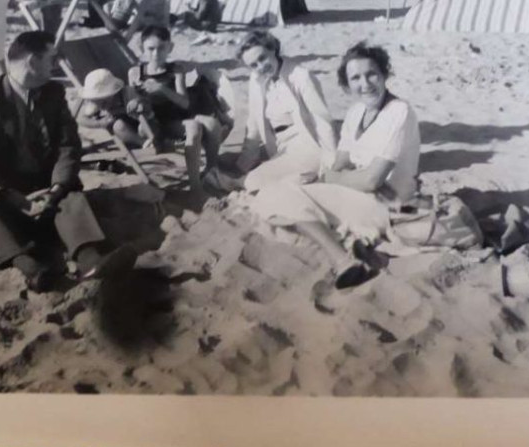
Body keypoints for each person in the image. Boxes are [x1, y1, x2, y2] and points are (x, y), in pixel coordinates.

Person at [0, 31, 138, 292]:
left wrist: (56, 187)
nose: (56, 65)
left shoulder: (53, 92)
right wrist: (9, 196)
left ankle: (90, 260)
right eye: (51, 59)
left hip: (45, 185)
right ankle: (30, 267)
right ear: (32, 62)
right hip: (2, 190)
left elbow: (69, 145)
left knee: (70, 194)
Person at [250, 42, 420, 289]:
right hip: (357, 193)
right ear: (347, 84)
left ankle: (341, 260)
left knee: (280, 197)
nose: (365, 84)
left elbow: (372, 180)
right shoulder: (356, 111)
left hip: (388, 205)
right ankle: (339, 247)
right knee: (281, 187)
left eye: (372, 74)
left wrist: (330, 179)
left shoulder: (399, 111)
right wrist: (322, 178)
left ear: (384, 73)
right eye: (356, 78)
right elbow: (341, 161)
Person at [121, 25, 229, 192]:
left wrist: (162, 89)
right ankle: (195, 186)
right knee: (194, 127)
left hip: (174, 120)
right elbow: (134, 102)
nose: (156, 54)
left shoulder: (176, 70)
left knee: (213, 124)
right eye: (151, 49)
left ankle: (211, 170)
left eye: (161, 48)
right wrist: (138, 98)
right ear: (142, 48)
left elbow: (184, 103)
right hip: (151, 125)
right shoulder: (135, 72)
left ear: (169, 47)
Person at [235, 29, 337, 191]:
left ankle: (308, 181)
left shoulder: (301, 77)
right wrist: (243, 165)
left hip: (307, 145)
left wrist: (330, 165)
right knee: (249, 174)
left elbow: (323, 122)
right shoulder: (256, 80)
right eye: (253, 65)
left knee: (253, 181)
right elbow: (254, 125)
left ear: (273, 48)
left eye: (262, 58)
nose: (260, 67)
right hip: (278, 147)